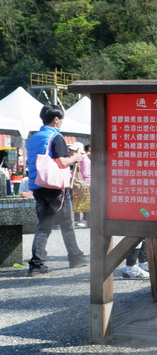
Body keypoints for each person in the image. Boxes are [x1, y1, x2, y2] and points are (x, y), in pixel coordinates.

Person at [26, 104, 89, 276]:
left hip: (38, 186)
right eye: (60, 120)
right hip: (55, 188)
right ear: (56, 119)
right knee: (67, 223)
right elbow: (62, 162)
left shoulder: (33, 138)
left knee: (44, 225)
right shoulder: (56, 136)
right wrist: (76, 157)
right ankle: (75, 258)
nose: (61, 123)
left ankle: (36, 264)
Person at [69, 142, 91, 227]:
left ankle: (86, 219)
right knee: (83, 202)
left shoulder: (84, 158)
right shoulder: (82, 158)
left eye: (73, 151)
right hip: (83, 183)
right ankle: (84, 219)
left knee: (85, 202)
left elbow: (85, 173)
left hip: (85, 183)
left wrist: (74, 177)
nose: (71, 153)